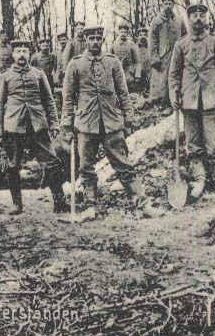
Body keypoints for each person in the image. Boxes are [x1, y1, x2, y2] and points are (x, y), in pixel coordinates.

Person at [62, 26, 163, 217]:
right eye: (91, 38)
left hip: (111, 121)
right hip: (85, 123)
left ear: (102, 40)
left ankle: (141, 203)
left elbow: (123, 93)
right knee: (86, 167)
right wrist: (67, 125)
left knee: (123, 164)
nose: (94, 42)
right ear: (85, 40)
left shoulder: (112, 62)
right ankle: (91, 205)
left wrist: (129, 118)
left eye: (98, 38)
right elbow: (68, 98)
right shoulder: (75, 65)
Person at [0, 39, 66, 215]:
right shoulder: (4, 76)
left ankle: (60, 202)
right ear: (13, 54)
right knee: (13, 165)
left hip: (37, 126)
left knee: (52, 162)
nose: (22, 55)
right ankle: (17, 205)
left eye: (25, 51)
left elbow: (49, 101)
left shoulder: (39, 74)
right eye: (18, 52)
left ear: (30, 54)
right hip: (14, 127)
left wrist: (54, 123)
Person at [169, 4, 215, 200]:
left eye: (202, 15)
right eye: (194, 16)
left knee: (213, 144)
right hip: (188, 100)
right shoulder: (181, 45)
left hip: (210, 99)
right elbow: (173, 73)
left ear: (207, 19)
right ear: (189, 20)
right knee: (193, 145)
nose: (198, 19)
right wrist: (174, 94)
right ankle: (199, 180)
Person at [149, 0, 187, 114]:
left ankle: (179, 102)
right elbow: (153, 40)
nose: (167, 6)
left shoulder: (179, 21)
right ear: (162, 5)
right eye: (165, 4)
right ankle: (165, 104)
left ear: (173, 5)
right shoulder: (156, 21)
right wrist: (154, 58)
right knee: (164, 81)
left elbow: (185, 37)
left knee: (178, 77)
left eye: (170, 4)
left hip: (178, 54)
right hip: (163, 56)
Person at [112, 22, 142, 91]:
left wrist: (137, 76)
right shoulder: (113, 45)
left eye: (125, 32)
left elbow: (137, 62)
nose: (123, 34)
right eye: (121, 32)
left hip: (129, 76)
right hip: (117, 74)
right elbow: (109, 61)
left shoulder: (131, 45)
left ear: (127, 33)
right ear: (118, 33)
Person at [136, 26, 152, 95]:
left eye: (144, 35)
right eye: (140, 35)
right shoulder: (134, 49)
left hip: (149, 76)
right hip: (137, 78)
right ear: (138, 37)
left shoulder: (151, 48)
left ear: (147, 36)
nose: (142, 37)